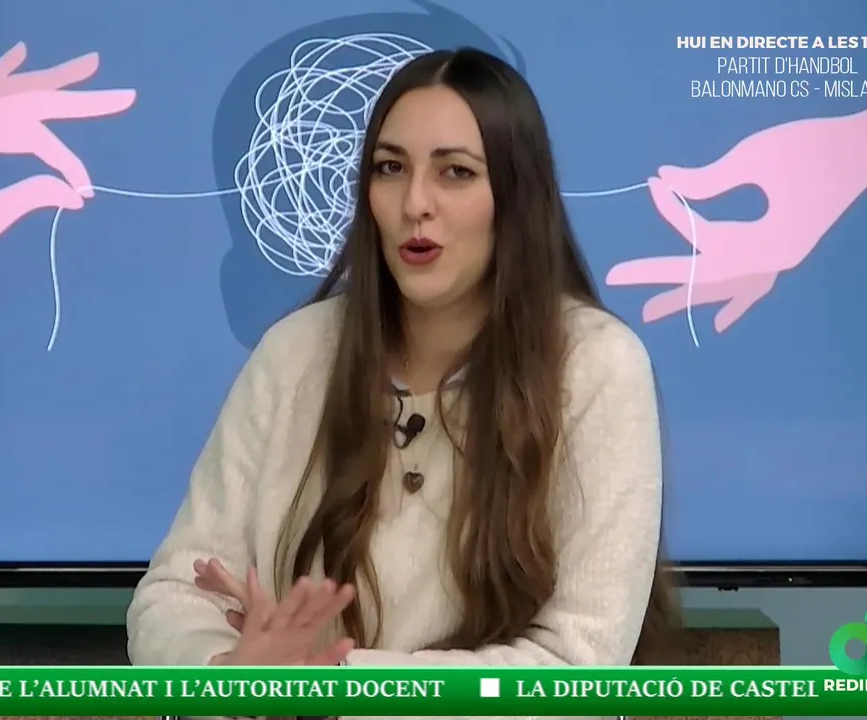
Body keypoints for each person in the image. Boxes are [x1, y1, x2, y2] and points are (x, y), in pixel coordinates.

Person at [129, 43, 679, 709]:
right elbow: (173, 593)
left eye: (456, 173)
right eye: (390, 168)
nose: (415, 203)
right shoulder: (294, 353)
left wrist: (327, 682)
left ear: (515, 195)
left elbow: (576, 663)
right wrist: (226, 669)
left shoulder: (595, 366)